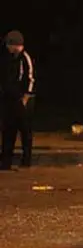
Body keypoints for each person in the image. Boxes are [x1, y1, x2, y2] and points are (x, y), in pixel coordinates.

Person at [1, 31, 35, 169]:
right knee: (8, 130)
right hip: (9, 99)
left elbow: (30, 78)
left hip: (22, 99)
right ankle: (6, 161)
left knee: (25, 131)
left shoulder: (24, 58)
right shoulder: (8, 58)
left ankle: (26, 160)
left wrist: (26, 97)